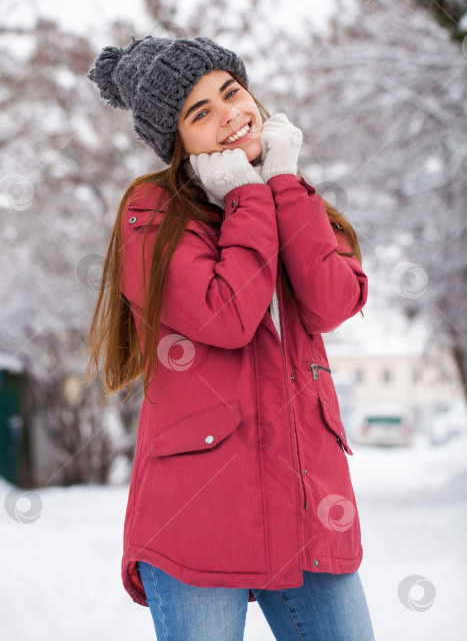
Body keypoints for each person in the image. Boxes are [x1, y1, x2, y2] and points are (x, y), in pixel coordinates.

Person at [85, 35, 375, 641]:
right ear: (177, 142)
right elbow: (229, 316)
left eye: (231, 92)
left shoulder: (292, 193)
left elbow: (331, 301)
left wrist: (282, 186)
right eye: (201, 113)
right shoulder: (153, 212)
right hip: (199, 512)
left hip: (306, 503)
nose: (229, 115)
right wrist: (247, 196)